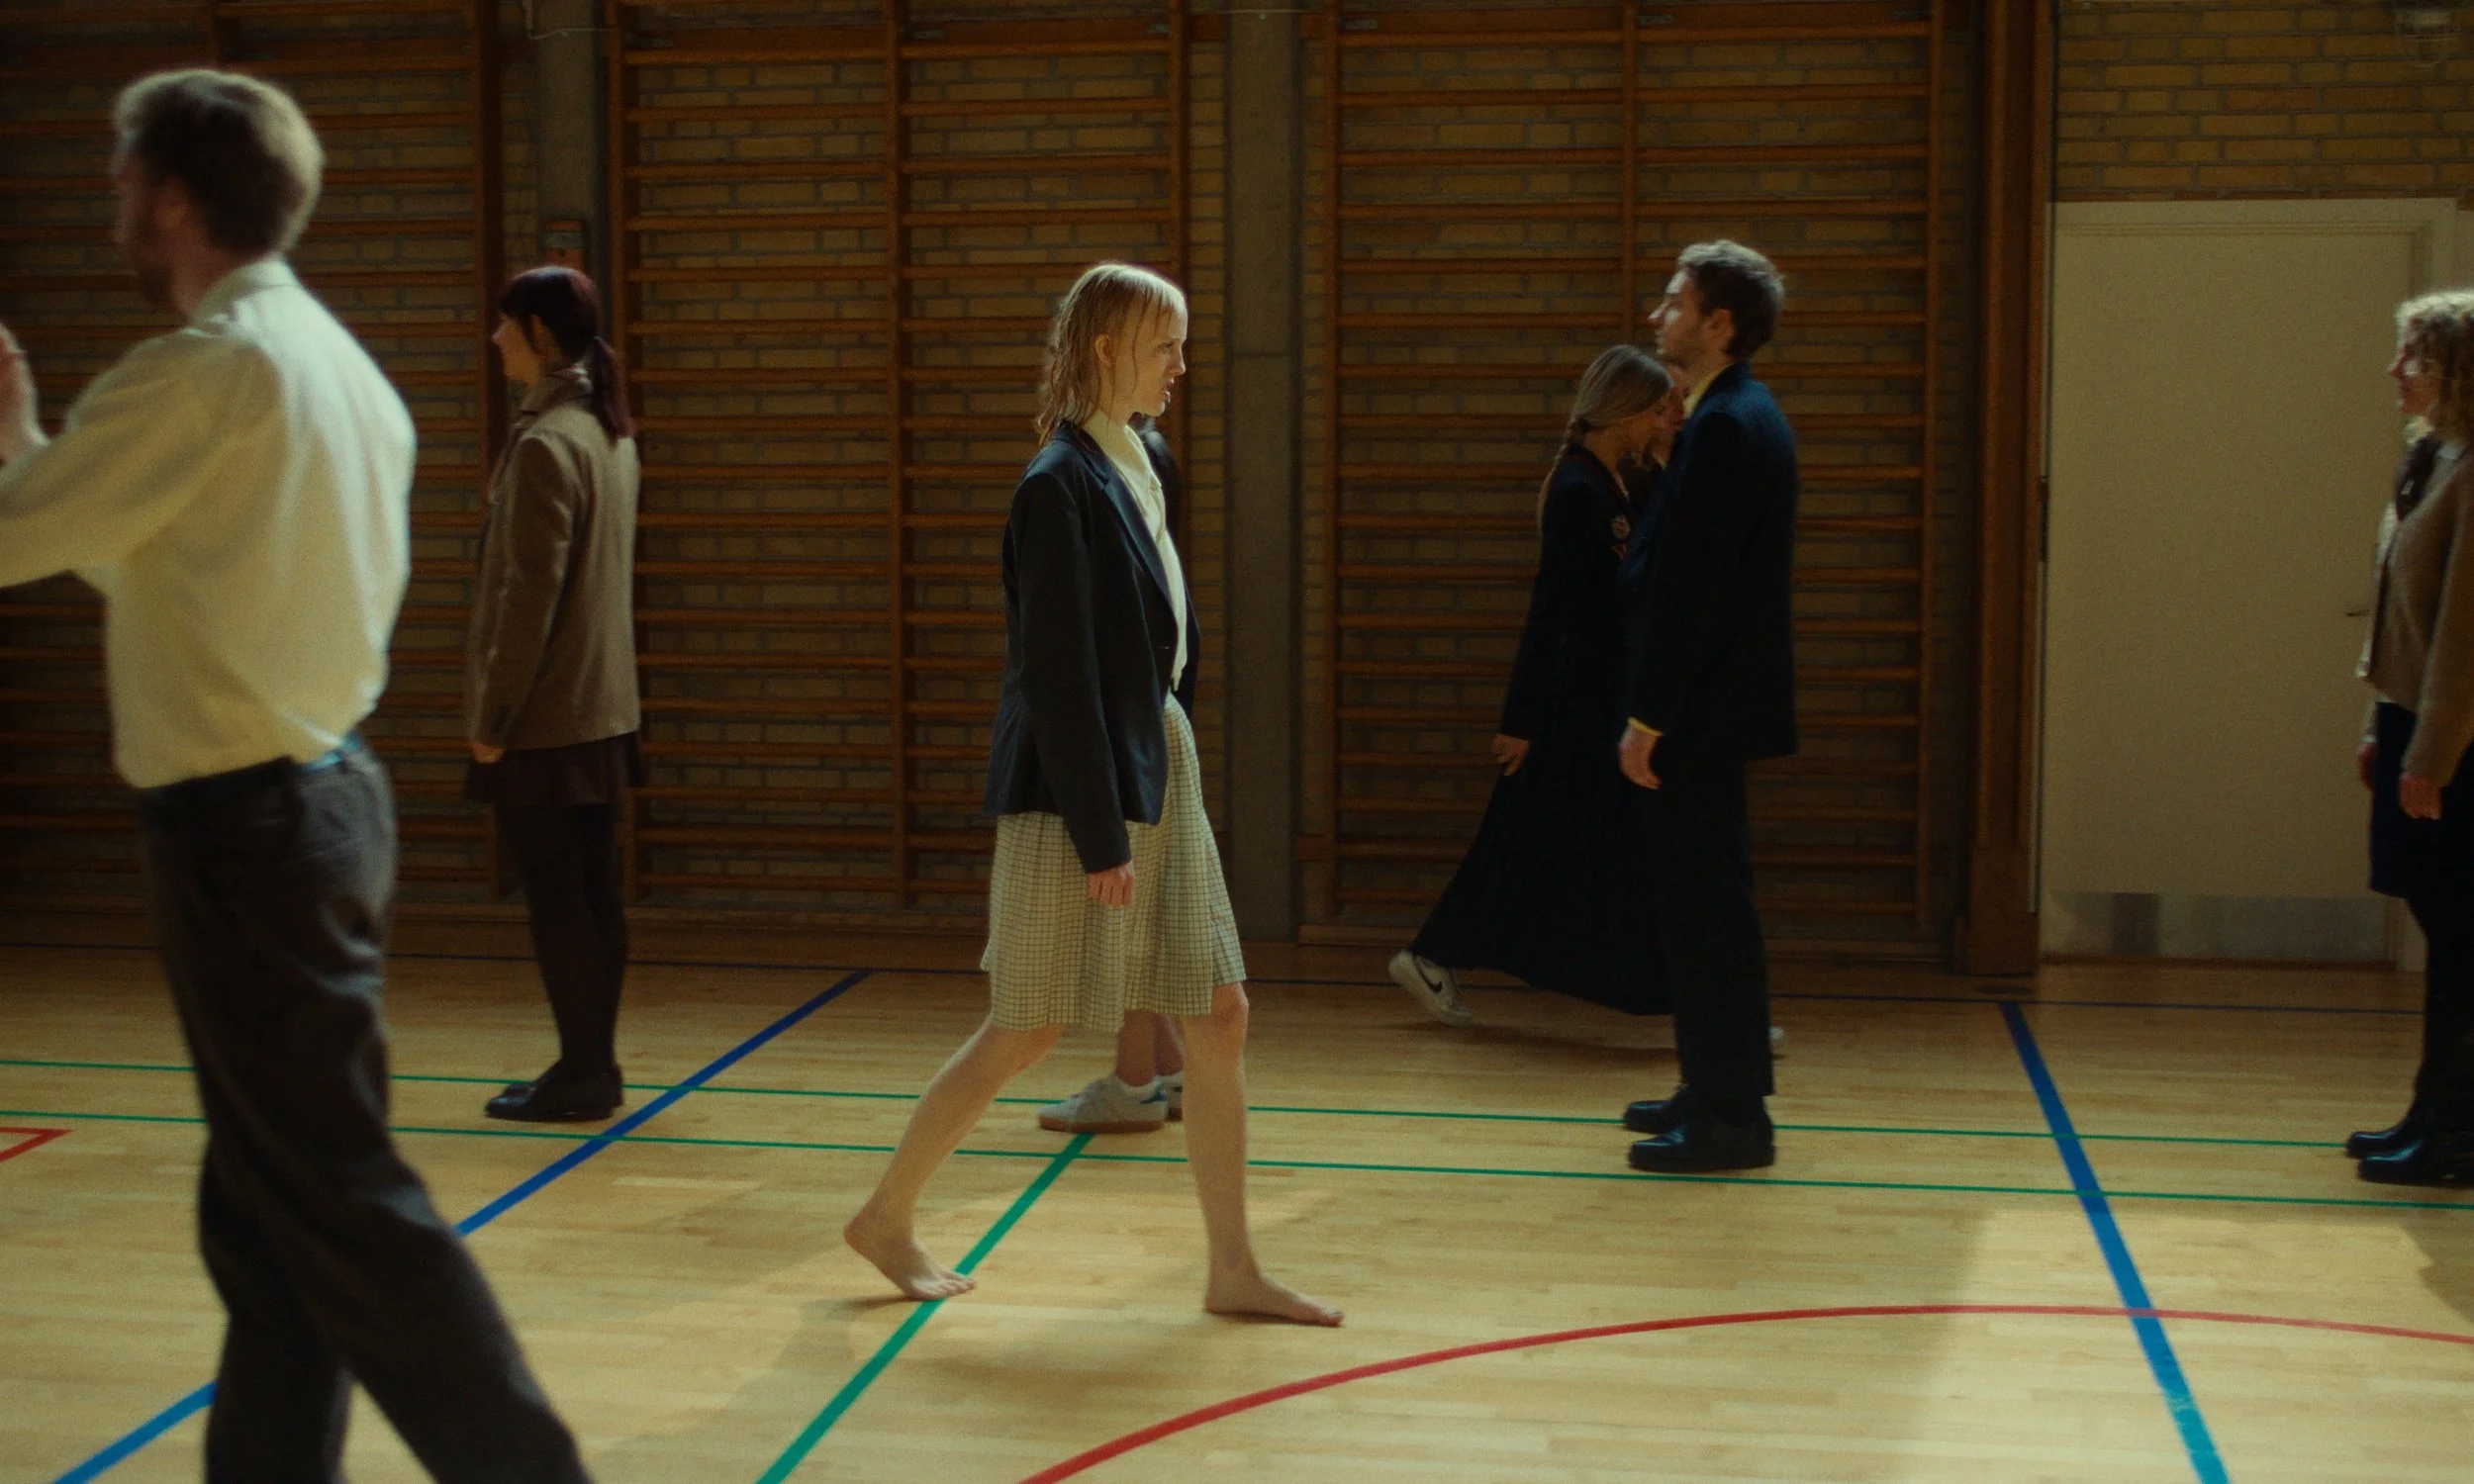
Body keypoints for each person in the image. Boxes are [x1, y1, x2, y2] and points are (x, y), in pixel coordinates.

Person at [0, 70, 590, 1479]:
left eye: (122, 186)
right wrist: (26, 449)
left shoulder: (204, 371)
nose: (113, 211)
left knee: (332, 1202)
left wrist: (14, 461)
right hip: (322, 808)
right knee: (272, 1225)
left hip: (247, 830)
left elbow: (15, 537)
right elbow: (137, 556)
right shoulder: (329, 365)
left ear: (176, 199)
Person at [843, 262, 1341, 1326]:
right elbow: (1056, 677)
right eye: (1167, 346)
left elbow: (1156, 633)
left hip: (1156, 756)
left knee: (1218, 1010)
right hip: (1080, 791)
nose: (1181, 366)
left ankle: (1231, 1268)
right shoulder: (1053, 486)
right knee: (1025, 1026)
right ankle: (886, 1216)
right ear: (1110, 348)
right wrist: (1099, 832)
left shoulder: (1143, 457)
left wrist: (1163, 757)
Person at [1386, 347, 1683, 1026]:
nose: (1659, 422)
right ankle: (1433, 955)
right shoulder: (1580, 491)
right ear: (1626, 410)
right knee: (1536, 841)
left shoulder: (1611, 485)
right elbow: (1550, 611)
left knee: (1537, 843)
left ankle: (1434, 955)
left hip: (1602, 699)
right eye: (1653, 410)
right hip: (1574, 703)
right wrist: (1520, 719)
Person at [1616, 240, 1799, 1174]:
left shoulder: (1730, 424)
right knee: (1696, 909)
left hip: (1698, 712)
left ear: (1719, 322)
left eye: (1676, 303)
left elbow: (1697, 591)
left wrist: (1650, 716)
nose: (1659, 316)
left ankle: (1734, 1119)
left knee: (1709, 914)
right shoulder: (1730, 411)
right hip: (1709, 707)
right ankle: (1710, 1085)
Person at [465, 265, 645, 1123]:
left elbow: (525, 602)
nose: (495, 340)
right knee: (593, 893)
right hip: (603, 708)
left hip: (546, 717)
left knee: (558, 901)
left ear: (537, 333)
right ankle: (590, 1066)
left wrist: (491, 719)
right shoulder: (607, 431)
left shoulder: (544, 445)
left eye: (505, 327)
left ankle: (583, 1072)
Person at [2351, 289, 2474, 1186]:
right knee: (2442, 929)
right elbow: (2400, 611)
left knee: (2464, 936)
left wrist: (2430, 757)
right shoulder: (2432, 457)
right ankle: (2429, 1111)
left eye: (2415, 358)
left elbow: (2465, 638)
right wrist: (2377, 723)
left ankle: (2458, 1133)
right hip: (2407, 720)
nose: (2397, 372)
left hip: (2457, 740)